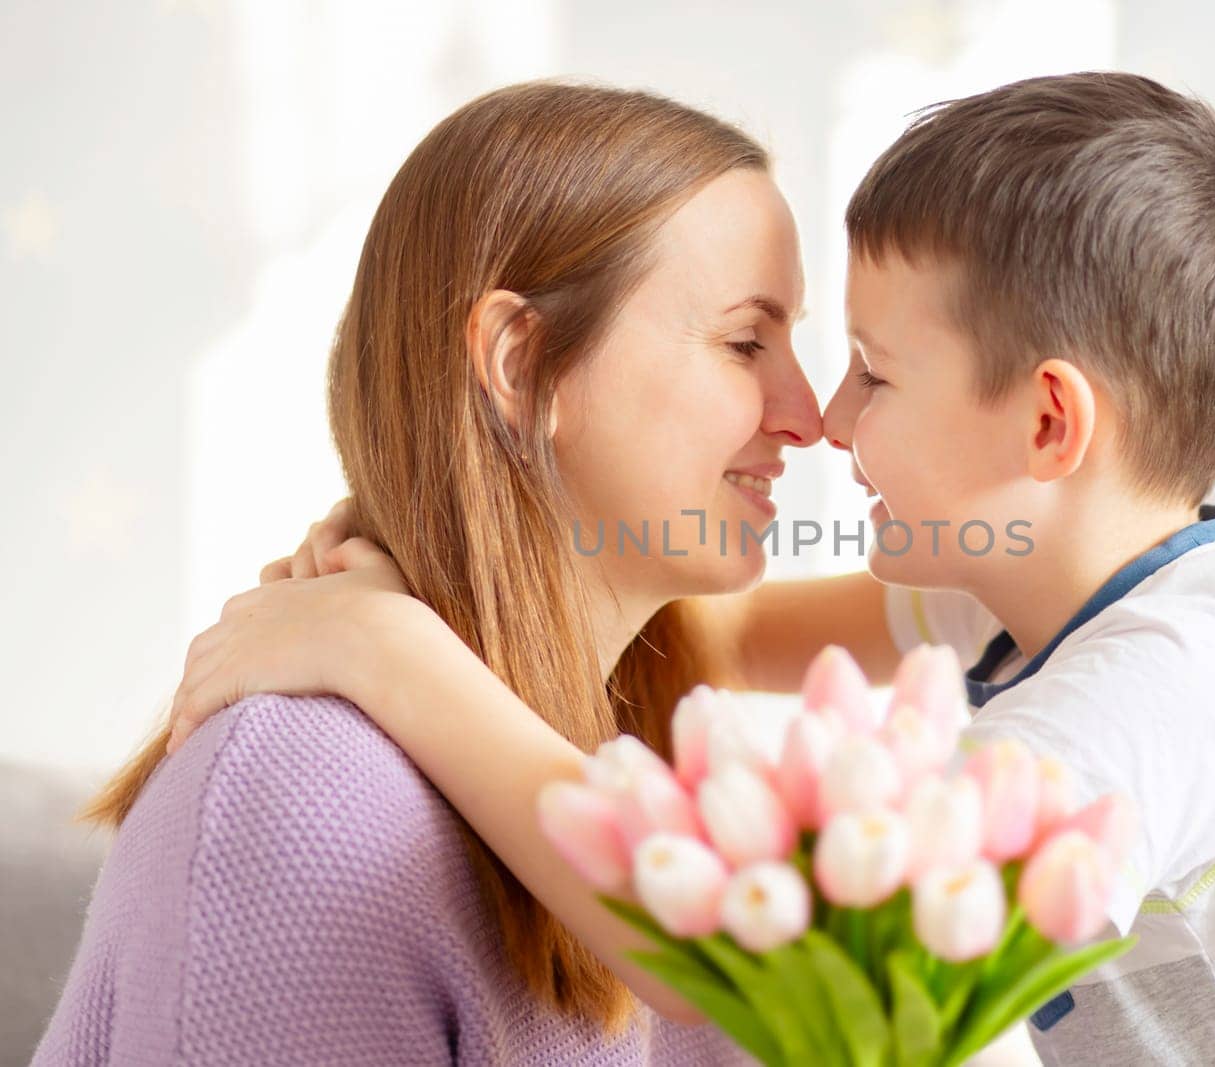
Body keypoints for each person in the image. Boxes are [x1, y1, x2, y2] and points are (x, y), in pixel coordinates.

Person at [162, 73, 1215, 1064]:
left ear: (1047, 422)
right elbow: (730, 625)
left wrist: (391, 654)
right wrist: (406, 542)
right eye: (768, 347)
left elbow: (746, 959)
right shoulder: (1024, 578)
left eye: (874, 371)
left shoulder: (1172, 683)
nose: (829, 417)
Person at [34, 80, 821, 1065]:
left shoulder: (652, 745)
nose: (809, 412)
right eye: (747, 340)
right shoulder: (307, 799)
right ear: (519, 361)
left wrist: (384, 645)